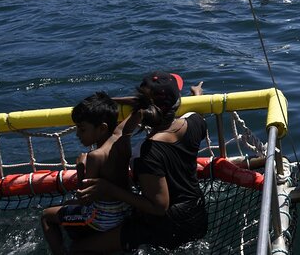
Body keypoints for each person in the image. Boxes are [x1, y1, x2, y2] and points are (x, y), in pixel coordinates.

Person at [70, 71, 208, 254]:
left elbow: (159, 206)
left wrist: (108, 188)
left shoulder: (149, 152)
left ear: (143, 109)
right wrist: (197, 95)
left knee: (78, 248)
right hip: (197, 216)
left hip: (167, 227)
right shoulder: (195, 121)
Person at [41, 92, 138, 255]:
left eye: (82, 129)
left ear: (102, 128)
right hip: (124, 210)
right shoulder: (122, 137)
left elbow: (85, 199)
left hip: (101, 219)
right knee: (66, 206)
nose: (78, 134)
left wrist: (80, 168)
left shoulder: (95, 156)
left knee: (46, 216)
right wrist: (109, 103)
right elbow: (140, 103)